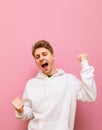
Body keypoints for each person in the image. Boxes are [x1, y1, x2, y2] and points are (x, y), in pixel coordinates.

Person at [12, 40, 96, 130]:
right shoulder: (31, 84)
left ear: (52, 56)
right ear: (36, 62)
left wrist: (85, 64)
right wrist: (20, 111)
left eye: (44, 54)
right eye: (37, 57)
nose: (41, 58)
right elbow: (27, 114)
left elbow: (90, 96)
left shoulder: (69, 80)